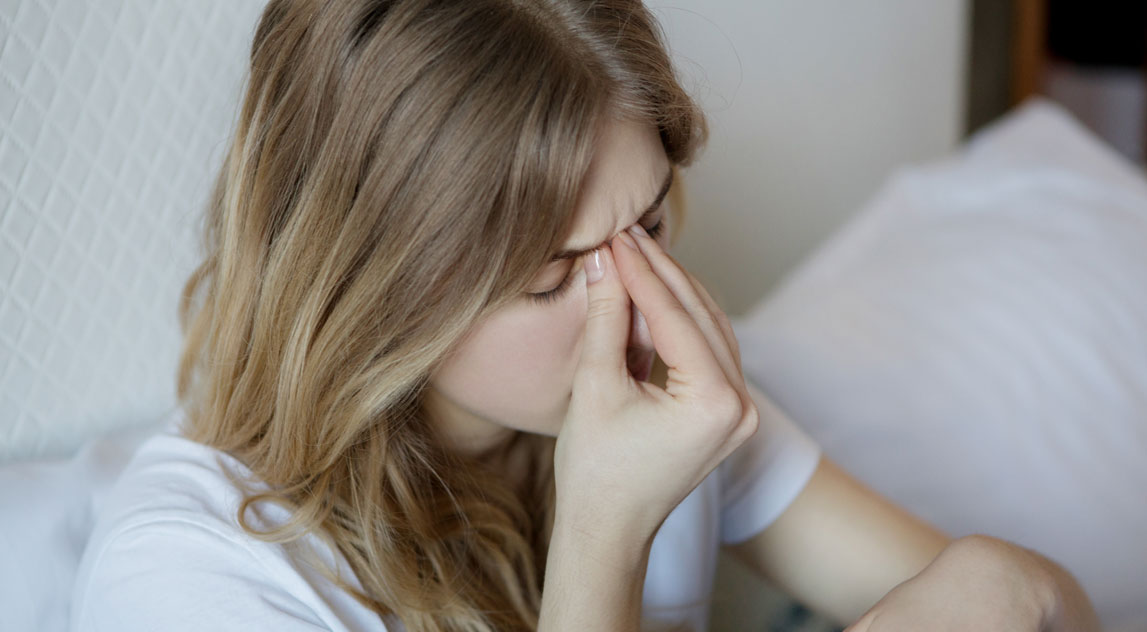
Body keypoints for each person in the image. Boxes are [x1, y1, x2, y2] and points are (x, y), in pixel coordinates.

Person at [69, 1, 1100, 630]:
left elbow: (1042, 611)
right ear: (367, 285)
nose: (640, 309)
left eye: (651, 221)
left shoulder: (661, 395)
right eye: (547, 277)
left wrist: (1000, 576)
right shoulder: (192, 574)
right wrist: (605, 526)